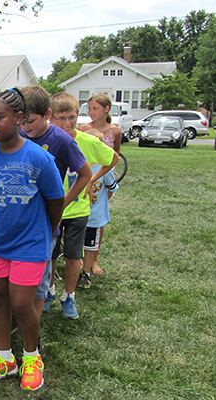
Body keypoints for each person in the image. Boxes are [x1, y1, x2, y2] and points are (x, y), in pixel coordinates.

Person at [0, 90, 64, 391]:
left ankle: (32, 357)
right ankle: (4, 359)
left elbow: (55, 199)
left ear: (19, 118)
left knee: (22, 302)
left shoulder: (39, 157)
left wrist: (48, 231)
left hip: (30, 244)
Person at [19, 85, 91, 320]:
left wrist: (62, 204)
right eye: (21, 121)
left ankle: (38, 319)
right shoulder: (18, 135)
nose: (25, 127)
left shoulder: (61, 140)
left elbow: (85, 173)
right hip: (18, 218)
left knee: (41, 271)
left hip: (44, 220)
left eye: (30, 121)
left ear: (47, 115)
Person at [45, 93, 118, 307]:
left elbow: (112, 157)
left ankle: (69, 297)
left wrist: (90, 179)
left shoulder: (87, 141)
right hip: (52, 211)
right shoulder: (48, 141)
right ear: (51, 117)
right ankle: (49, 291)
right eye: (62, 118)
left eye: (72, 117)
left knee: (73, 256)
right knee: (50, 255)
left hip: (78, 210)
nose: (68, 123)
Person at [77, 93, 122, 275]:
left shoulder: (115, 131)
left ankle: (93, 260)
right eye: (89, 108)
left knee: (97, 223)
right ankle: (79, 258)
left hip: (103, 177)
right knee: (79, 221)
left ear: (106, 109)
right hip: (85, 176)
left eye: (95, 108)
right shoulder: (83, 128)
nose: (91, 112)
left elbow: (115, 156)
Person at [80, 128, 120, 287]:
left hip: (95, 217)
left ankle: (86, 273)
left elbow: (112, 188)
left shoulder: (104, 169)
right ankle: (79, 265)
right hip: (78, 215)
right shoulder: (79, 167)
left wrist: (102, 202)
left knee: (90, 246)